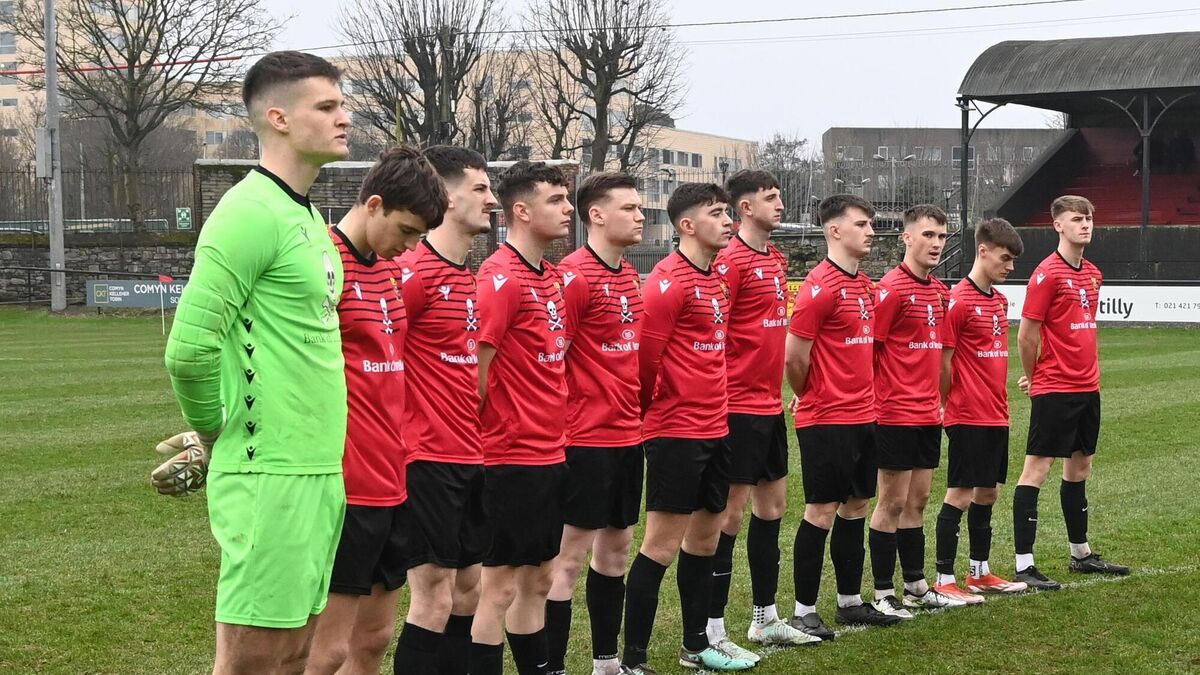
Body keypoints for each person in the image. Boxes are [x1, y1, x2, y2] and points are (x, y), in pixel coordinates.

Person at [159, 51, 352, 674]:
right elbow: (189, 350)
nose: (344, 118)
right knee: (253, 662)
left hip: (319, 469)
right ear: (279, 118)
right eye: (327, 106)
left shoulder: (307, 215)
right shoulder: (247, 213)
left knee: (296, 654)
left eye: (342, 105)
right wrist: (213, 433)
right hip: (269, 474)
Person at [306, 147, 448, 675]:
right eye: (406, 230)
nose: (410, 246)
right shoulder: (321, 263)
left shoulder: (391, 273)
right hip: (345, 485)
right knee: (327, 651)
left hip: (394, 476)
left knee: (374, 639)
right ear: (373, 205)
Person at [621, 182, 755, 673]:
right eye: (716, 213)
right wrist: (659, 413)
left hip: (716, 427)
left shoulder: (717, 278)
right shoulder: (666, 281)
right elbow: (645, 361)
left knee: (705, 541)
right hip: (675, 433)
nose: (728, 221)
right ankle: (633, 660)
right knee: (659, 545)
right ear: (686, 225)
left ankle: (696, 646)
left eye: (727, 212)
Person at [393, 145, 498, 675]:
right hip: (425, 457)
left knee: (468, 591)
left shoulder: (468, 276)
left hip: (469, 454)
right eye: (480, 188)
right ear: (447, 198)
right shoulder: (412, 272)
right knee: (432, 596)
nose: (492, 199)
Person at [707, 170, 819, 655]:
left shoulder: (775, 258)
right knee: (728, 517)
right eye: (770, 198)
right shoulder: (728, 262)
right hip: (736, 408)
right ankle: (712, 628)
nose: (780, 204)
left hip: (769, 405)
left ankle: (764, 618)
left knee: (772, 509)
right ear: (745, 207)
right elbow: (714, 334)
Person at [470, 160, 573, 675]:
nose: (568, 208)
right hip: (508, 458)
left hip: (551, 453)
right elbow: (476, 374)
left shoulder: (550, 277)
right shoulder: (499, 279)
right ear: (522, 211)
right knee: (499, 588)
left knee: (539, 579)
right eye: (556, 199)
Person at [544, 172, 646, 675]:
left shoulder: (628, 275)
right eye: (629, 208)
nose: (640, 215)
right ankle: (553, 667)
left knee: (617, 551)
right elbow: (551, 359)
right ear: (597, 215)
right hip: (584, 439)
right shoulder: (573, 277)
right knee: (567, 558)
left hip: (628, 436)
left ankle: (607, 663)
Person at [785, 194, 900, 641]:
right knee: (821, 511)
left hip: (865, 415)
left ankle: (850, 602)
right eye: (861, 224)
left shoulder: (865, 287)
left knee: (856, 507)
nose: (871, 231)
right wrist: (812, 395)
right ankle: (803, 611)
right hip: (827, 419)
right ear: (834, 230)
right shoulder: (819, 287)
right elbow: (795, 357)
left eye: (870, 224)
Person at [1012, 195, 1130, 590]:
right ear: (1058, 225)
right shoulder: (1046, 274)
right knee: (1037, 469)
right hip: (1056, 387)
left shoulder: (1093, 273)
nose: (1086, 224)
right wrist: (1035, 377)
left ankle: (1080, 554)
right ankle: (1024, 564)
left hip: (1088, 386)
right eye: (1077, 219)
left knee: (1080, 467)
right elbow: (1026, 336)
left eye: (1089, 218)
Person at [865, 204, 964, 618]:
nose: (936, 243)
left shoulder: (940, 292)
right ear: (906, 237)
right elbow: (869, 352)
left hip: (927, 414)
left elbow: (940, 358)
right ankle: (882, 592)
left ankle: (916, 586)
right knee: (891, 502)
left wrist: (938, 402)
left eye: (941, 236)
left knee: (918, 501)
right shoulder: (890, 289)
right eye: (928, 235)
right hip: (893, 413)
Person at [933, 217, 1029, 603]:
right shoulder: (957, 300)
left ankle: (979, 573)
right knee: (959, 493)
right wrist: (949, 404)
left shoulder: (999, 301)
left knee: (988, 492)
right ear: (983, 250)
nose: (1010, 266)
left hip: (996, 412)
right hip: (967, 413)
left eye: (1013, 261)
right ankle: (943, 579)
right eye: (1005, 258)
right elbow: (943, 363)